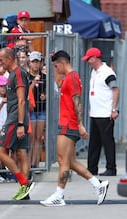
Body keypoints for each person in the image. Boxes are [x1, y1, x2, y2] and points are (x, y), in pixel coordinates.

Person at [40, 50, 109, 207]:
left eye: (56, 66)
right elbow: (58, 83)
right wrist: (51, 63)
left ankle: (59, 195)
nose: (56, 68)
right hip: (68, 123)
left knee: (63, 160)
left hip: (69, 124)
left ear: (63, 64)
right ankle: (98, 185)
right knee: (69, 161)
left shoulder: (72, 78)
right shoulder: (68, 78)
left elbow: (78, 102)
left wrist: (80, 124)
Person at [0, 48, 34, 200]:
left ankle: (24, 182)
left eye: (1, 59)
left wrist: (19, 124)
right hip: (18, 117)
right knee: (21, 153)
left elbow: (21, 100)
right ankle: (25, 192)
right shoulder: (13, 74)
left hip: (15, 118)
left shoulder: (18, 74)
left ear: (9, 59)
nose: (0, 62)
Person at [82, 47, 120, 176]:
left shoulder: (107, 72)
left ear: (95, 58)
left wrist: (114, 109)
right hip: (95, 113)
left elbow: (115, 90)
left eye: (89, 59)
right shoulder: (94, 72)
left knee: (107, 141)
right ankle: (92, 168)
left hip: (105, 113)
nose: (88, 62)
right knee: (94, 143)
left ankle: (111, 168)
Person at [28, 51, 47, 170]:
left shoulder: (44, 77)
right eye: (33, 62)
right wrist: (33, 83)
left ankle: (36, 163)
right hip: (31, 110)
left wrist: (45, 96)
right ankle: (29, 163)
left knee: (38, 138)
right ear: (29, 63)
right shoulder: (26, 76)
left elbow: (48, 91)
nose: (35, 64)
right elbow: (25, 92)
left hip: (41, 109)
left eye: (37, 62)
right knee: (31, 138)